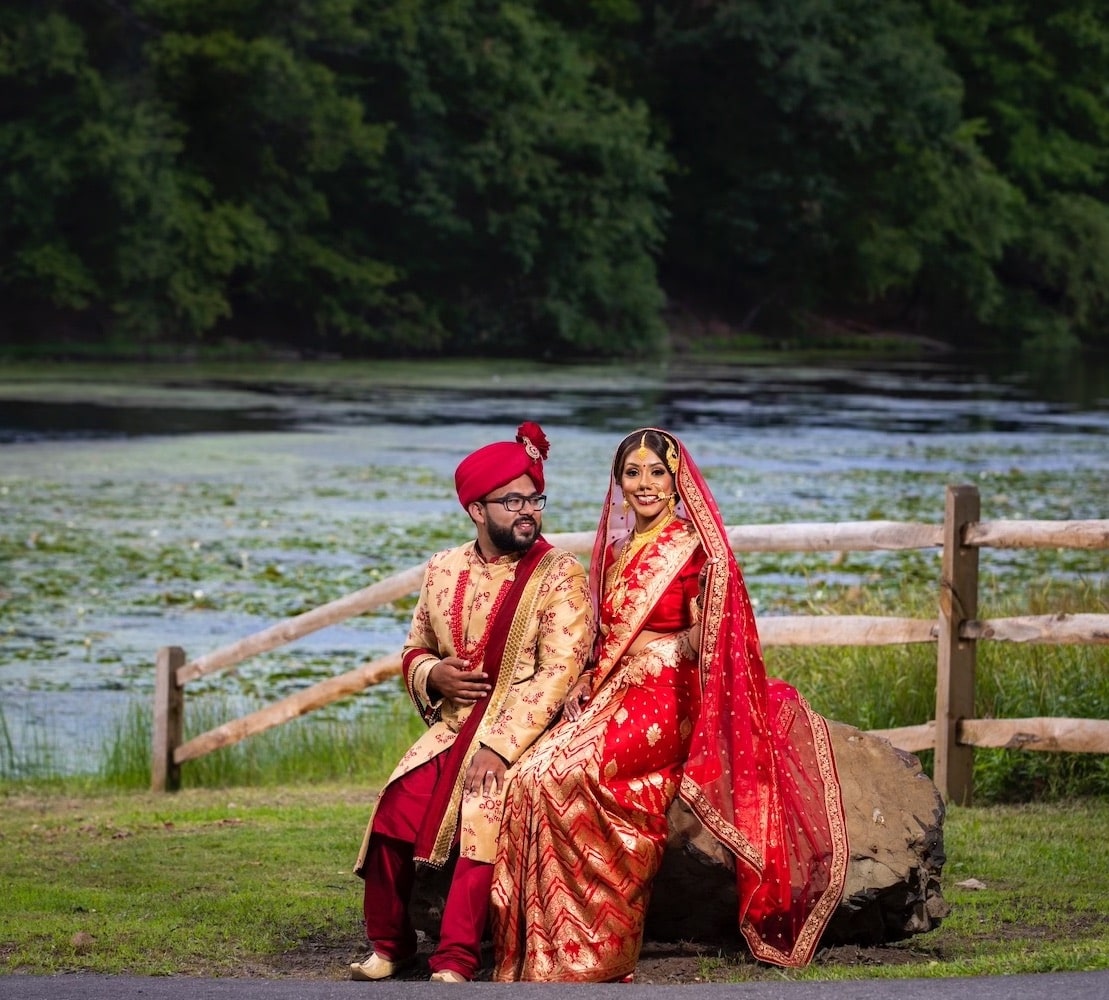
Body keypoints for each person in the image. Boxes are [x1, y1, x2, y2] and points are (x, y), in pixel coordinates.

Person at [490, 427, 849, 982]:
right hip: (614, 688)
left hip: (671, 693)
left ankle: (599, 951)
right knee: (528, 778)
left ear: (678, 481)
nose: (645, 484)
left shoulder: (699, 551)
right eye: (633, 473)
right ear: (618, 482)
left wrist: (653, 653)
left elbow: (715, 639)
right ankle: (540, 952)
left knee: (571, 774)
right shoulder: (609, 552)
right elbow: (601, 634)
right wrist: (588, 674)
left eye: (657, 472)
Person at [350, 421, 595, 983]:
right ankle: (391, 944)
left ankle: (457, 957)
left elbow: (559, 672)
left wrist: (500, 749)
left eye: (535, 499)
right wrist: (435, 675)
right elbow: (415, 648)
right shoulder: (442, 569)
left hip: (524, 730)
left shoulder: (560, 573)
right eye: (513, 501)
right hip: (453, 724)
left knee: (482, 810)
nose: (528, 510)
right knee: (394, 809)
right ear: (476, 511)